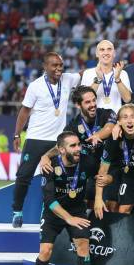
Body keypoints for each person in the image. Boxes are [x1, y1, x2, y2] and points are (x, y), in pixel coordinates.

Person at [12, 52, 82, 228]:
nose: (59, 69)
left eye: (61, 65)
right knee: (23, 176)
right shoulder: (35, 86)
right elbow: (24, 112)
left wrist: (104, 63)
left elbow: (83, 74)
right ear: (45, 67)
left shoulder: (67, 79)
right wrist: (16, 134)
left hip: (57, 142)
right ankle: (17, 211)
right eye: (54, 65)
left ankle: (52, 214)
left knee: (56, 178)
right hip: (36, 138)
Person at [32, 131, 95, 265]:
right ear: (60, 150)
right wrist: (69, 219)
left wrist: (105, 182)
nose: (78, 149)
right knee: (46, 250)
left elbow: (102, 175)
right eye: (73, 146)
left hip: (77, 210)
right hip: (54, 213)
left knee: (83, 246)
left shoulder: (87, 162)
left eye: (78, 145)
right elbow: (49, 201)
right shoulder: (49, 167)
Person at [38, 86, 117, 210]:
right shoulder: (74, 125)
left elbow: (109, 128)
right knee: (91, 207)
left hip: (110, 168)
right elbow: (61, 146)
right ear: (78, 105)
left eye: (94, 100)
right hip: (90, 170)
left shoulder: (107, 113)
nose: (92, 105)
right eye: (87, 102)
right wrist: (46, 156)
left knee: (112, 207)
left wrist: (97, 135)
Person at [81, 40, 132, 113]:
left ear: (114, 53)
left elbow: (127, 99)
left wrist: (117, 79)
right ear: (97, 54)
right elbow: (85, 99)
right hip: (94, 119)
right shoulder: (87, 73)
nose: (106, 53)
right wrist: (98, 79)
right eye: (102, 50)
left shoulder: (122, 73)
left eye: (109, 49)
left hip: (116, 119)